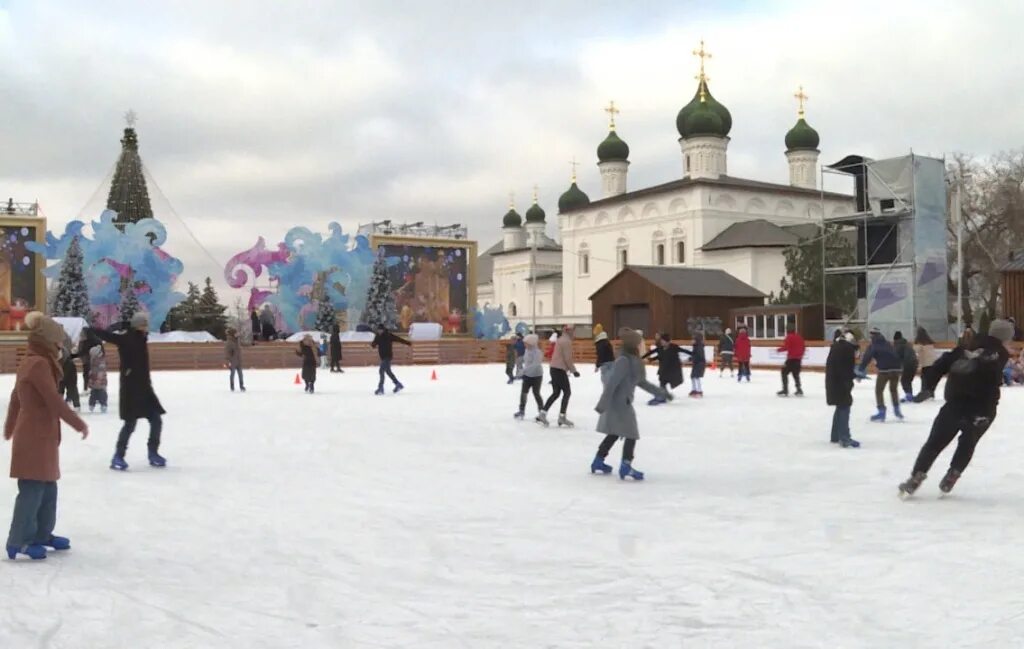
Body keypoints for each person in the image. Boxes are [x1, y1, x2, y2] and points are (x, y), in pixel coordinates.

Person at [4, 312, 89, 560]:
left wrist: (9, 427)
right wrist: (77, 423)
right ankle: (18, 541)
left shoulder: (35, 361)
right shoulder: (39, 364)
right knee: (32, 489)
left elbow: (14, 398)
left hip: (41, 435)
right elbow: (53, 400)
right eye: (58, 342)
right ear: (49, 342)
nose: (61, 346)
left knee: (48, 488)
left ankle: (42, 534)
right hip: (34, 436)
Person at [898, 319, 1014, 497]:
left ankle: (916, 476)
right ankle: (954, 473)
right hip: (981, 409)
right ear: (1006, 338)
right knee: (968, 442)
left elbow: (939, 365)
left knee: (935, 442)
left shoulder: (965, 347)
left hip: (955, 403)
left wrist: (929, 387)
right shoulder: (999, 354)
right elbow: (990, 380)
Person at [591, 328, 672, 481]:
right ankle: (625, 465)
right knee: (631, 433)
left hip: (622, 402)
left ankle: (598, 460)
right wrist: (602, 404)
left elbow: (642, 382)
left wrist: (661, 392)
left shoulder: (634, 361)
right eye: (640, 343)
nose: (642, 345)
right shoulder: (624, 361)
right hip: (619, 403)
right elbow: (612, 383)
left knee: (615, 432)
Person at [93, 312, 167, 470]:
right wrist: (121, 325)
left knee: (156, 420)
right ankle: (118, 456)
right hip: (131, 389)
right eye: (144, 325)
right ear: (138, 326)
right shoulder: (127, 339)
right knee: (130, 424)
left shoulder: (141, 338)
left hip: (145, 388)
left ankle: (153, 452)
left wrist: (130, 325)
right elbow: (106, 335)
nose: (146, 328)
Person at [857, 327, 903, 422]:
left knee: (879, 390)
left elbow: (867, 358)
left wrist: (860, 370)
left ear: (872, 335)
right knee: (893, 390)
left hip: (885, 370)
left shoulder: (874, 345)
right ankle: (897, 409)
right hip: (896, 369)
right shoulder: (887, 344)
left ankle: (881, 411)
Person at [538, 326, 579, 427]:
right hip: (559, 369)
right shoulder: (566, 342)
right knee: (567, 392)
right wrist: (574, 371)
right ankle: (562, 416)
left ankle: (543, 413)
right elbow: (567, 358)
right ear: (568, 332)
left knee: (556, 393)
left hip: (554, 368)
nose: (574, 334)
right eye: (573, 332)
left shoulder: (561, 340)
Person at [825, 330, 860, 448]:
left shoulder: (836, 347)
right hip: (841, 384)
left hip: (833, 382)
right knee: (845, 406)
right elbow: (846, 369)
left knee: (840, 406)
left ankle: (835, 436)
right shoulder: (847, 349)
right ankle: (844, 438)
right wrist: (855, 375)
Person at [641, 333, 683, 404]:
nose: (662, 342)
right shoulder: (660, 348)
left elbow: (685, 351)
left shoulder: (674, 347)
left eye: (663, 341)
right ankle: (664, 396)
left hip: (671, 369)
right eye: (661, 341)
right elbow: (654, 353)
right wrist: (643, 358)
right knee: (662, 382)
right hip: (663, 369)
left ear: (668, 341)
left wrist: (694, 355)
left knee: (663, 382)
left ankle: (663, 397)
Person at [371, 324, 411, 395]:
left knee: (381, 371)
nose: (379, 331)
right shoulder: (378, 336)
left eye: (380, 330)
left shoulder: (388, 335)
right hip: (383, 357)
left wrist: (407, 343)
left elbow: (398, 339)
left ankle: (381, 388)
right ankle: (398, 384)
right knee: (388, 372)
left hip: (387, 356)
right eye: (378, 330)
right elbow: (374, 344)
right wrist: (373, 344)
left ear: (383, 330)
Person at [514, 334, 545, 421]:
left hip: (537, 376)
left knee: (536, 393)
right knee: (523, 393)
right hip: (527, 376)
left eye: (526, 343)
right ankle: (521, 411)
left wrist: (523, 371)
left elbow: (535, 365)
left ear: (531, 343)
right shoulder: (527, 351)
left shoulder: (538, 353)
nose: (525, 345)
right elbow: (526, 361)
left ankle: (541, 411)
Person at [777, 324, 805, 396]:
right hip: (798, 359)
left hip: (791, 359)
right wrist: (800, 356)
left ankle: (785, 390)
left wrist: (779, 350)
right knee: (796, 374)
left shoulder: (789, 337)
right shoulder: (799, 337)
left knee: (784, 372)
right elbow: (803, 347)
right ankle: (799, 389)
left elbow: (786, 347)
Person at [893, 331, 918, 402]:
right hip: (914, 363)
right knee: (908, 380)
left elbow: (896, 356)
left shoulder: (898, 345)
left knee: (904, 380)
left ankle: (909, 395)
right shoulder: (907, 344)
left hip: (908, 363)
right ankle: (909, 395)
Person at [58, 334, 81, 412]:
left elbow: (62, 359)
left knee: (71, 387)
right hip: (63, 368)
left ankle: (76, 405)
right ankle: (59, 405)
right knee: (60, 387)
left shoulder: (61, 350)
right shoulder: (59, 348)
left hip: (68, 368)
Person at [682, 330, 707, 397]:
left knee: (696, 377)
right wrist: (689, 359)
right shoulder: (696, 346)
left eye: (693, 339)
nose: (691, 340)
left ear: (696, 339)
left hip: (700, 363)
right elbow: (694, 355)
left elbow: (698, 356)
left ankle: (699, 390)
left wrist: (691, 359)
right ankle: (694, 389)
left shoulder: (699, 347)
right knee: (693, 376)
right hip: (697, 363)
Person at [913, 327, 938, 392]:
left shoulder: (919, 343)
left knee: (924, 378)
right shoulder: (929, 341)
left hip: (925, 363)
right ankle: (931, 392)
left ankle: (924, 392)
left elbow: (915, 350)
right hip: (933, 362)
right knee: (930, 378)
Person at [88, 343, 108, 413]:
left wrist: (99, 379)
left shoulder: (101, 360)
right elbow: (91, 369)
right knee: (93, 393)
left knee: (102, 393)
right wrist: (91, 378)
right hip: (94, 379)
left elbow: (102, 371)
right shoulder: (93, 359)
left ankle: (103, 404)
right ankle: (92, 404)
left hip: (100, 381)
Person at [78, 328, 100, 394]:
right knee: (86, 375)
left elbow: (82, 351)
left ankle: (94, 390)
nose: (81, 334)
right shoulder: (83, 341)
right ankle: (87, 388)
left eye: (82, 332)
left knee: (92, 375)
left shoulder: (92, 341)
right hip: (87, 361)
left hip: (91, 361)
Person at [225, 327, 245, 392]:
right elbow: (227, 352)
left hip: (238, 360)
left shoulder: (237, 341)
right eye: (236, 333)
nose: (237, 334)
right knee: (232, 374)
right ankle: (232, 386)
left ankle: (241, 386)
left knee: (240, 374)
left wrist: (251, 344)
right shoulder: (229, 342)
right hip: (232, 361)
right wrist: (228, 361)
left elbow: (243, 344)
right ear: (232, 334)